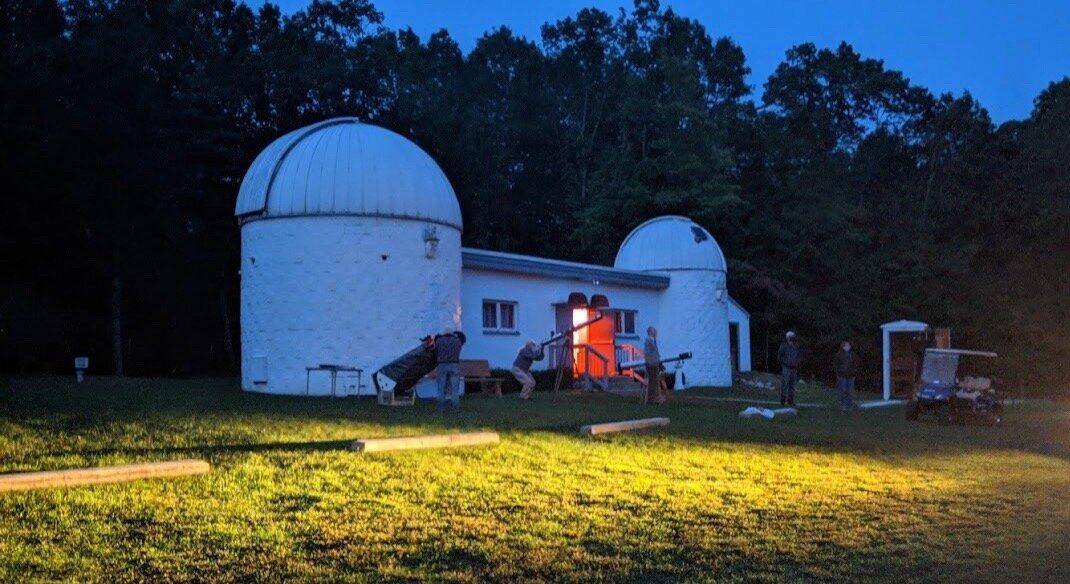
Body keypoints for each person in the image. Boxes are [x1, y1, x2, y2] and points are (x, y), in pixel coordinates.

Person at [433, 329, 465, 411]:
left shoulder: (439, 341)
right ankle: (455, 408)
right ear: (452, 334)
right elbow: (460, 348)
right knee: (455, 389)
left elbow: (435, 351)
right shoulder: (457, 341)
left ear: (444, 334)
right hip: (454, 365)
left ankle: (441, 408)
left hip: (442, 365)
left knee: (441, 388)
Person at [778, 331, 801, 406]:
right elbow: (780, 356)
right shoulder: (783, 346)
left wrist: (797, 362)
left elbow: (798, 355)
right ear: (788, 337)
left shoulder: (795, 346)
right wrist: (785, 363)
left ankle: (790, 401)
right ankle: (782, 400)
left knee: (792, 385)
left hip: (794, 368)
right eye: (791, 336)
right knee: (784, 384)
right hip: (786, 368)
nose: (793, 338)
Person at [644, 326, 666, 404]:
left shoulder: (651, 340)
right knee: (653, 381)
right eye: (654, 331)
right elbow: (652, 350)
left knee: (654, 381)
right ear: (650, 332)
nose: (656, 332)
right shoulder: (649, 340)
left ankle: (655, 398)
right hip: (651, 363)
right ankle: (652, 399)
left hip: (653, 363)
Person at [833, 340, 857, 410]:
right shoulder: (839, 354)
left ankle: (849, 405)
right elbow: (836, 364)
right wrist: (838, 373)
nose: (847, 347)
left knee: (850, 390)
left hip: (851, 375)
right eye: (846, 346)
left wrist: (854, 372)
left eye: (848, 345)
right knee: (843, 390)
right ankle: (843, 404)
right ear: (843, 346)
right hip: (842, 375)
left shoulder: (852, 354)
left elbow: (855, 364)